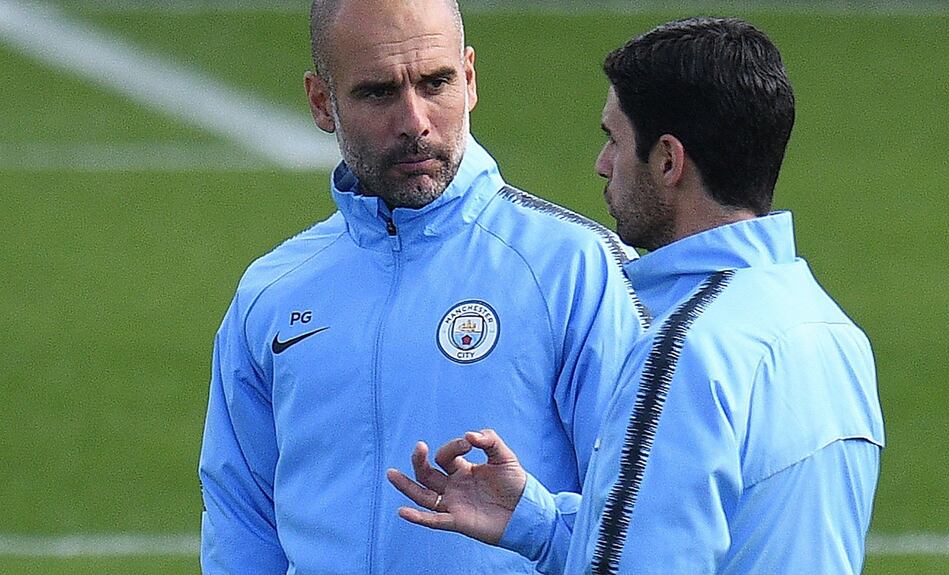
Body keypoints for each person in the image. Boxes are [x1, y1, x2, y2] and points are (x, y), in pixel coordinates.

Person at [388, 16, 885, 574]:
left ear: (669, 160)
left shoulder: (685, 352)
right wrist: (537, 522)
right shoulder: (830, 331)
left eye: (614, 139)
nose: (603, 163)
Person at [197, 0, 649, 573]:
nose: (414, 121)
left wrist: (533, 524)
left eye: (435, 83)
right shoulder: (274, 292)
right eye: (378, 92)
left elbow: (642, 527)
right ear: (321, 102)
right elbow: (241, 523)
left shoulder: (578, 271)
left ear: (470, 78)